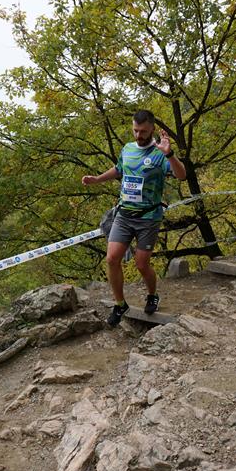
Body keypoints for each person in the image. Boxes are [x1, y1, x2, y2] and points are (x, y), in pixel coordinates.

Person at [82, 110, 186, 326]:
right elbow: (119, 169)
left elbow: (182, 175)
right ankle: (120, 304)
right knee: (112, 259)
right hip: (124, 215)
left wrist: (169, 154)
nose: (139, 135)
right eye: (136, 130)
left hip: (148, 217)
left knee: (141, 264)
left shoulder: (160, 153)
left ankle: (152, 295)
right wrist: (97, 179)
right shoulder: (128, 149)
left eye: (143, 131)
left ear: (152, 129)